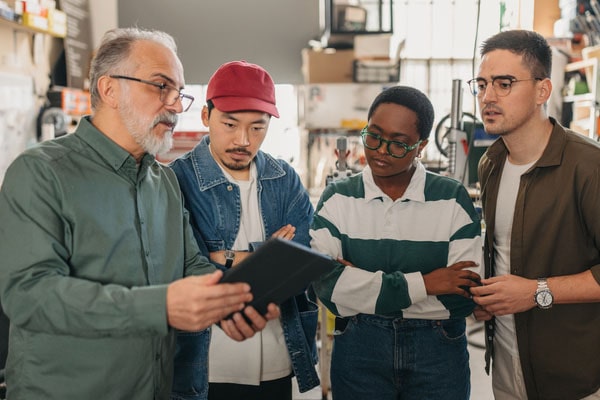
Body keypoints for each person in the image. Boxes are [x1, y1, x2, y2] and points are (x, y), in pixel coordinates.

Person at [0, 28, 279, 400]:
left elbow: (191, 264)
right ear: (109, 89)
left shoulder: (163, 180)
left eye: (178, 93)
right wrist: (161, 307)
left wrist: (228, 305)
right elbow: (29, 295)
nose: (176, 106)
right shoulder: (40, 172)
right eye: (160, 87)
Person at [309, 85, 483, 400]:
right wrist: (429, 283)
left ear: (422, 146)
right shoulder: (339, 197)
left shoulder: (451, 198)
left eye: (399, 144)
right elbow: (327, 287)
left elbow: (463, 296)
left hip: (438, 350)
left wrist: (360, 285)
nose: (381, 151)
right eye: (373, 136)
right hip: (359, 348)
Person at [169, 60, 319, 400]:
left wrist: (229, 257)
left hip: (280, 355)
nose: (243, 140)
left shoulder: (285, 179)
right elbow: (185, 265)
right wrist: (267, 254)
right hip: (209, 361)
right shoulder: (177, 179)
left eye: (257, 128)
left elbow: (304, 260)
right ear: (206, 117)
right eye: (230, 124)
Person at [469, 29, 600, 400]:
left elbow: (530, 289)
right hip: (508, 369)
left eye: (504, 83)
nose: (488, 97)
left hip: (576, 378)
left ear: (543, 91)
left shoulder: (588, 167)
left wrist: (536, 293)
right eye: (481, 84)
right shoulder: (490, 163)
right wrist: (490, 300)